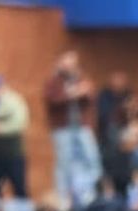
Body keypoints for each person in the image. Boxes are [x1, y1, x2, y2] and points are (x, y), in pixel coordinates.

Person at [44, 51, 99, 203]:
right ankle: (62, 198)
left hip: (82, 127)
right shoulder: (54, 81)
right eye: (66, 63)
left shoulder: (81, 78)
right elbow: (54, 100)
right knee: (64, 163)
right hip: (63, 128)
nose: (69, 66)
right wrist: (72, 93)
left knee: (91, 159)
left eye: (72, 63)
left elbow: (90, 95)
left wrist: (81, 91)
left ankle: (92, 194)